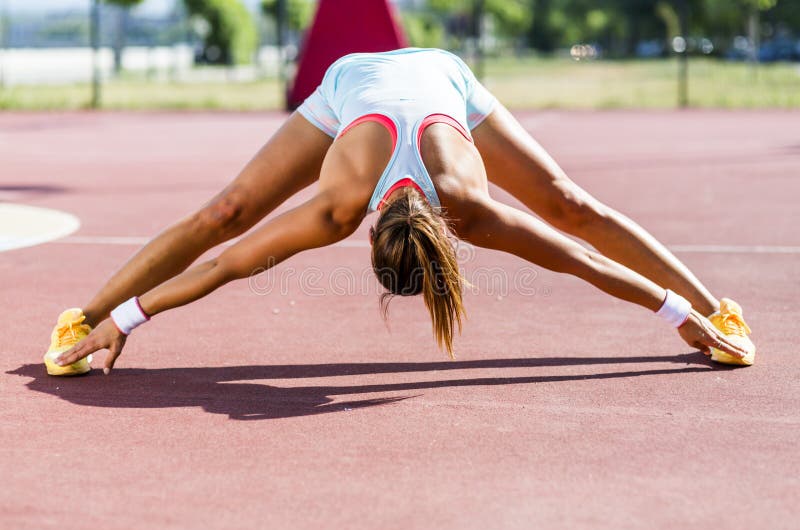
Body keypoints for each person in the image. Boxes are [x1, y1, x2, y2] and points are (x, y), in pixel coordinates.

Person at [45, 48, 754, 376]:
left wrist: (687, 313)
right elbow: (223, 258)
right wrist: (120, 317)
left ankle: (721, 312)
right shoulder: (335, 207)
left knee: (570, 203)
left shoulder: (471, 210)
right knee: (226, 212)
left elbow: (585, 252)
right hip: (349, 85)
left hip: (448, 77)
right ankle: (83, 316)